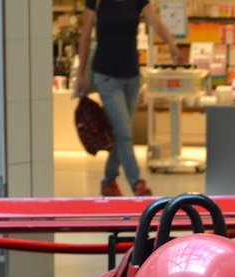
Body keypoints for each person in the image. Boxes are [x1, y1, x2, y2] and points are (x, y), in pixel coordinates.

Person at [77, 0, 186, 196]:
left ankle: (108, 181)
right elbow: (85, 35)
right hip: (106, 76)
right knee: (124, 132)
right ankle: (137, 183)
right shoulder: (96, 2)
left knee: (122, 134)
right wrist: (81, 74)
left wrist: (172, 46)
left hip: (132, 76)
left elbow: (156, 23)